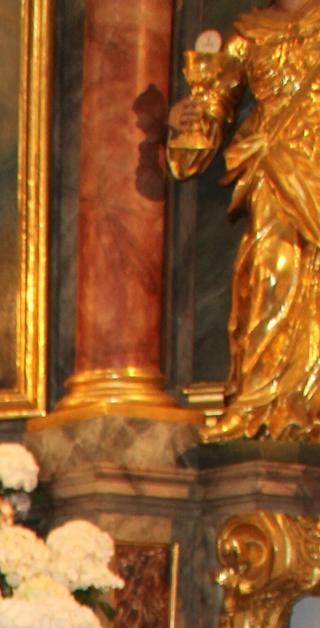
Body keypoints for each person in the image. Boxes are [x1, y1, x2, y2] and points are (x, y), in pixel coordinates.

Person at [166, 1, 320, 442]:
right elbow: (210, 110)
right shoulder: (249, 33)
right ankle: (260, 402)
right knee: (271, 274)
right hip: (275, 170)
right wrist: (186, 122)